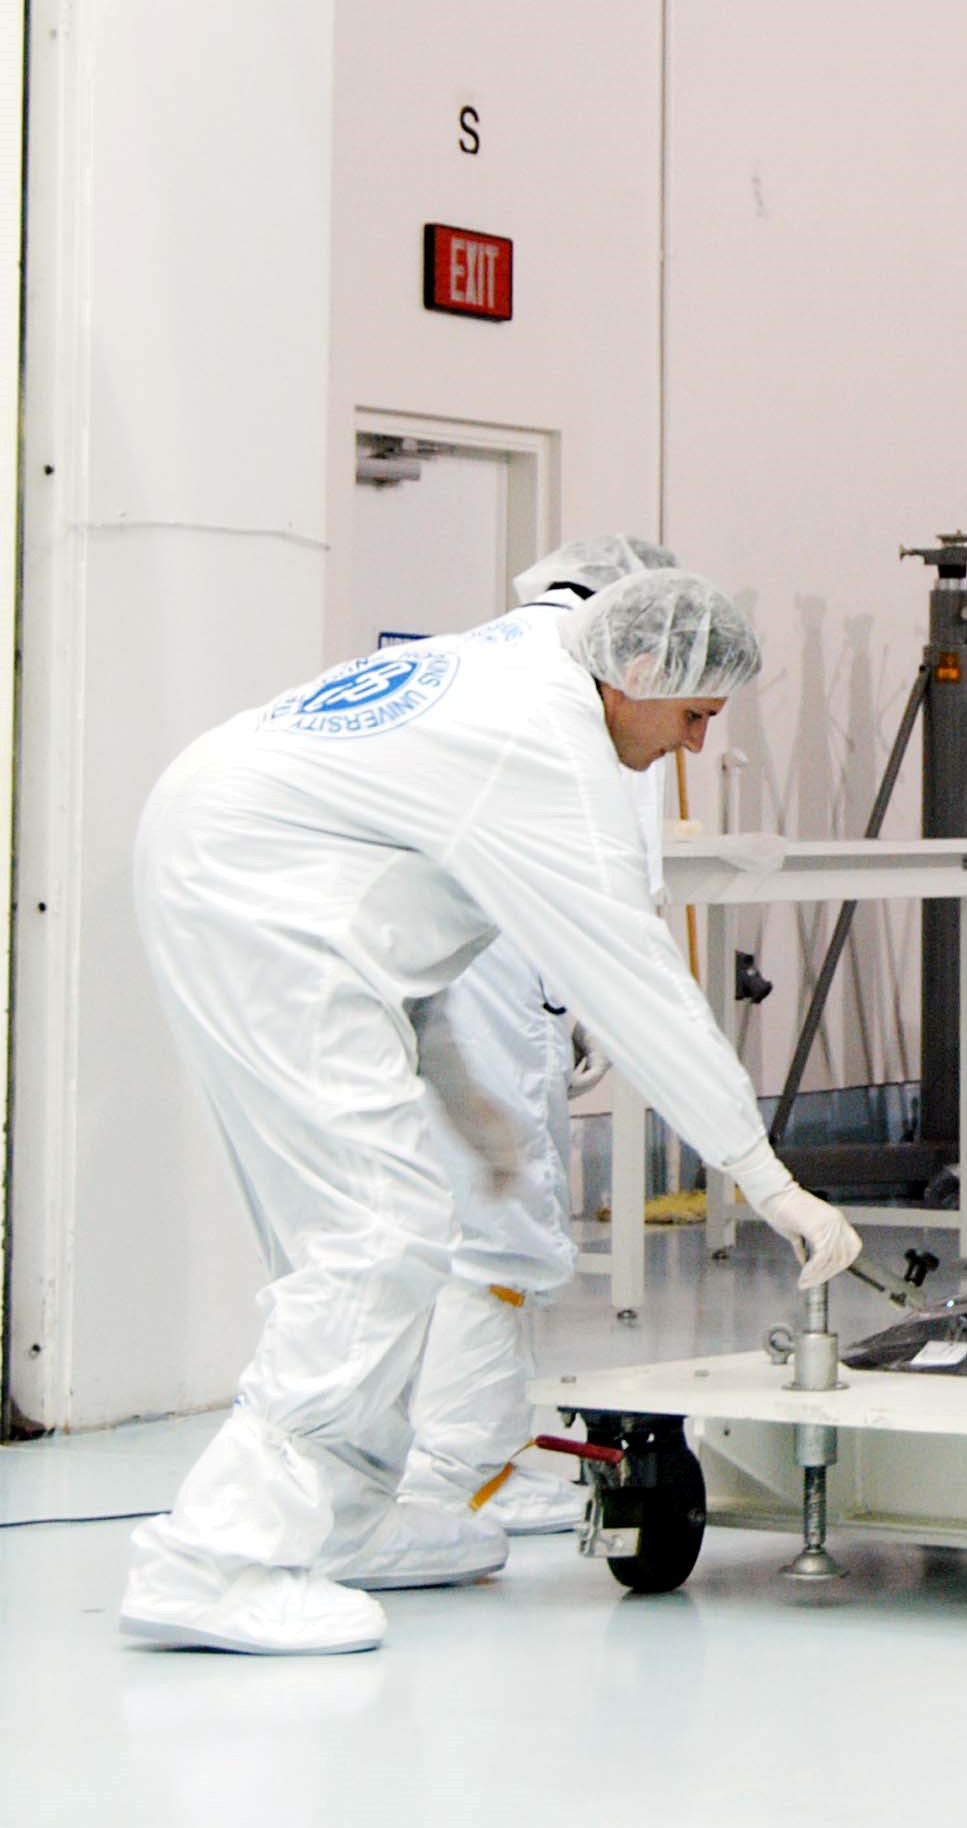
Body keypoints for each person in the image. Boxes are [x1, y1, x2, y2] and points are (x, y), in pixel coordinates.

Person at [122, 569, 864, 1655]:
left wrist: (467, 1107)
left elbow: (402, 926)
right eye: (696, 715)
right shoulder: (547, 744)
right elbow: (636, 975)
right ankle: (220, 1556)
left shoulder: (501, 676)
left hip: (242, 868)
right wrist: (767, 1176)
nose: (698, 745)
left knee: (370, 1233)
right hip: (263, 898)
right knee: (377, 1238)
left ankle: (343, 1518)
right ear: (640, 671)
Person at [399, 535, 676, 1534]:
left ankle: (447, 1450)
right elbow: (620, 874)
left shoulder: (471, 654)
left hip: (404, 959)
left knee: (427, 1218)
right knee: (506, 1224)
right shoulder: (604, 681)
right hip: (498, 972)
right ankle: (459, 1473)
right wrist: (600, 1005)